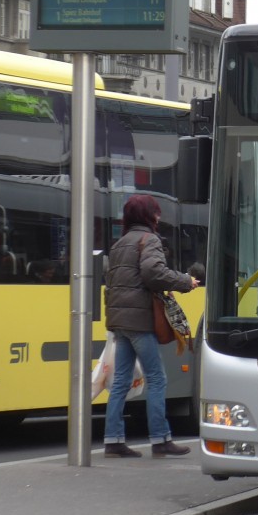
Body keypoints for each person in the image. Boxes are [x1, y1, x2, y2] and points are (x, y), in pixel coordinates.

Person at [103, 194, 199, 458]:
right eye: (156, 213)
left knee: (121, 381)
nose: (159, 217)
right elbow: (153, 273)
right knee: (157, 378)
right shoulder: (150, 240)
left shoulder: (120, 243)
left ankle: (113, 441)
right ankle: (161, 439)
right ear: (148, 216)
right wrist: (185, 281)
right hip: (140, 321)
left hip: (120, 321)